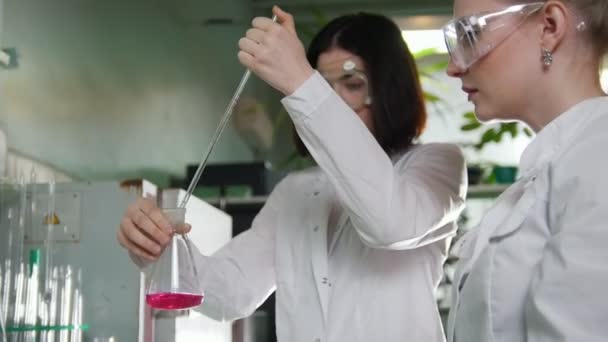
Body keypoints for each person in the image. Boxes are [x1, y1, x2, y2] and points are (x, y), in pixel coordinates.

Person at [118, 8, 467, 342]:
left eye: (352, 83)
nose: (338, 101)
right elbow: (232, 292)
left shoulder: (435, 165)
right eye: (324, 86)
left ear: (390, 88)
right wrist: (158, 247)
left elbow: (389, 222)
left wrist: (302, 83)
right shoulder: (295, 191)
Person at [441, 0, 608, 341]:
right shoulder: (559, 162)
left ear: (549, 27)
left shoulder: (598, 155)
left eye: (470, 33)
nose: (454, 66)